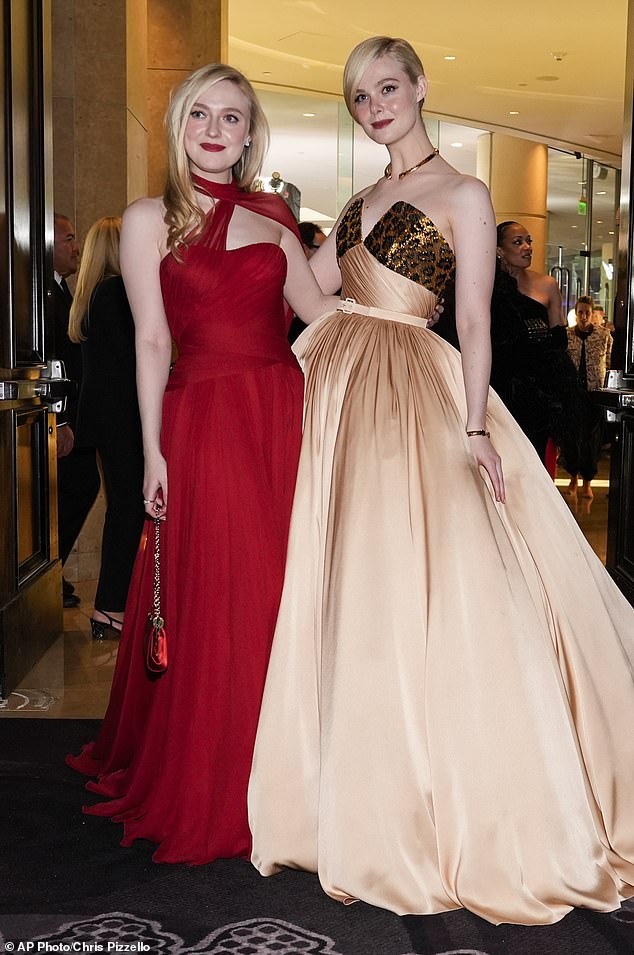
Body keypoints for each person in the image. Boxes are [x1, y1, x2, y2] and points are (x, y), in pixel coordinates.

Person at [248, 36, 634, 926]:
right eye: (357, 95)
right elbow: (313, 293)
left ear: (421, 88)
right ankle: (352, 791)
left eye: (387, 87)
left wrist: (473, 426)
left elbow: (468, 314)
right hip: (333, 383)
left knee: (426, 583)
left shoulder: (463, 192)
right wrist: (262, 235)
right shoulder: (358, 197)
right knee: (348, 588)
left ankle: (443, 804)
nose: (373, 104)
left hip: (412, 390)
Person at [66, 64, 338, 864]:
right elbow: (152, 339)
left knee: (281, 591)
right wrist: (152, 449)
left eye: (232, 118)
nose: (215, 131)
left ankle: (291, 774)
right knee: (225, 590)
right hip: (204, 420)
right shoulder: (150, 219)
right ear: (179, 126)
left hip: (281, 416)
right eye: (199, 116)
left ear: (251, 134)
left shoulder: (276, 215)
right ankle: (222, 779)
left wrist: (403, 332)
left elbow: (319, 320)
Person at [68, 216, 145, 639]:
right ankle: (111, 608)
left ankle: (111, 606)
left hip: (108, 419)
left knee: (123, 509)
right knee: (128, 511)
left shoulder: (95, 294)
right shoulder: (117, 292)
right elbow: (135, 360)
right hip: (124, 418)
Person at [490, 221, 581, 466]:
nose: (527, 247)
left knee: (534, 463)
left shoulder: (547, 285)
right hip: (499, 389)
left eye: (529, 241)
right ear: (499, 250)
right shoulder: (488, 287)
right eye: (517, 242)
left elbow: (559, 342)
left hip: (538, 394)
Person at [52, 213, 101, 607]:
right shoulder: (40, 295)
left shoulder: (62, 290)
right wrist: (62, 419)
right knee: (78, 486)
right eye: (68, 238)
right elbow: (52, 359)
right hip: (60, 418)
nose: (76, 246)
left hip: (74, 415)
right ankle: (51, 571)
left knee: (79, 486)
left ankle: (53, 570)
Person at [559, 295, 613, 499]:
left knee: (592, 439)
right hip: (573, 393)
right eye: (580, 312)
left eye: (587, 313)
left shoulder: (604, 336)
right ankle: (573, 476)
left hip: (594, 393)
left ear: (593, 314)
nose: (583, 316)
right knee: (571, 437)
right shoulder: (567, 335)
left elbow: (608, 363)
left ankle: (588, 480)